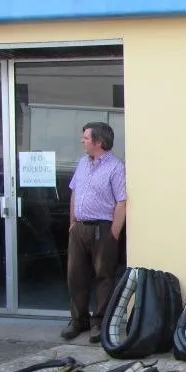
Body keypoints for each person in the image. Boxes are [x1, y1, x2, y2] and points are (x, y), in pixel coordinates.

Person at [61, 122, 127, 344]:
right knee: (75, 276)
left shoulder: (116, 167)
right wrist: (72, 222)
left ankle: (99, 322)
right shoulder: (82, 163)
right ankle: (78, 320)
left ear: (99, 142)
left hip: (103, 229)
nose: (83, 141)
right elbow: (75, 192)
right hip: (80, 228)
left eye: (86, 138)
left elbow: (121, 202)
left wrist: (114, 233)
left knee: (103, 276)